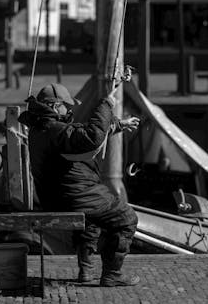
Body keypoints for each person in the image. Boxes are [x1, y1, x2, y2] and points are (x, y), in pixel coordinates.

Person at [18, 83, 141, 287]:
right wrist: (106, 104)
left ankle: (87, 270)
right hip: (73, 197)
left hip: (59, 197)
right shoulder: (52, 129)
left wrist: (118, 125)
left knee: (91, 220)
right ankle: (112, 274)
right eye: (67, 106)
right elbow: (91, 137)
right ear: (55, 106)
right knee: (126, 218)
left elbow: (77, 134)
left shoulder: (42, 128)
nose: (70, 110)